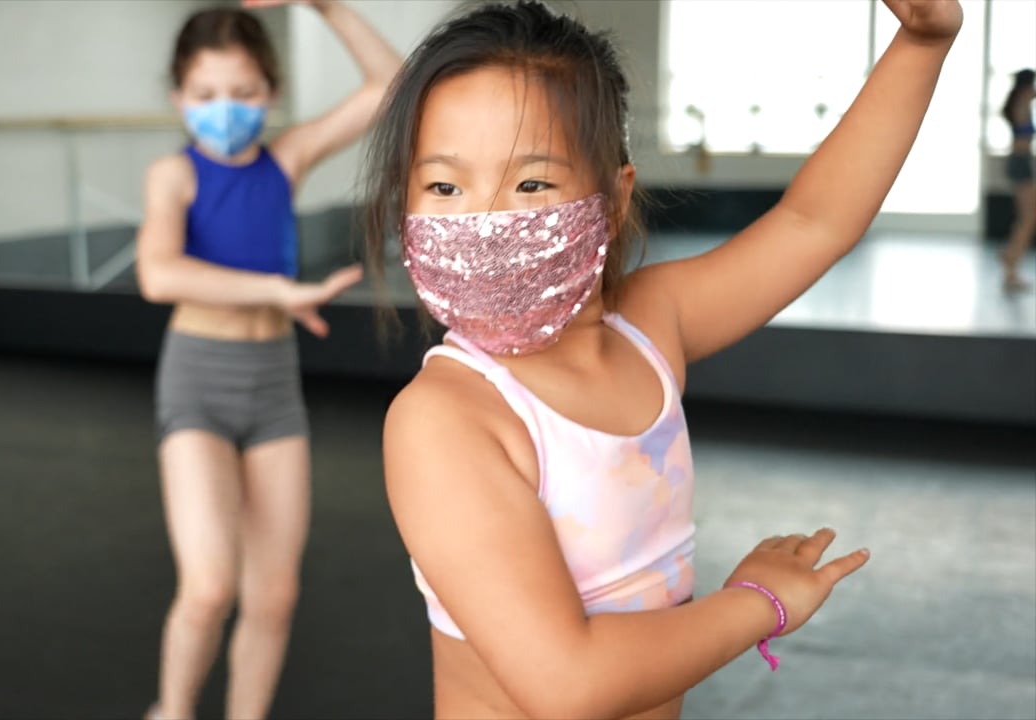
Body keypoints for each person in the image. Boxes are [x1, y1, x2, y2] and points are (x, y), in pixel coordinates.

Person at [365, 1, 960, 718]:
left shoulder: (650, 325)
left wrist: (923, 43)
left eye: (531, 184)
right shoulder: (445, 420)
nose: (485, 219)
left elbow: (815, 222)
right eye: (444, 187)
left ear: (614, 199)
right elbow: (567, 683)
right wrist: (758, 603)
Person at [134, 1, 400, 718]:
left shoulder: (284, 160)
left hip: (273, 385)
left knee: (275, 595)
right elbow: (159, 273)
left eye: (244, 92)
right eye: (206, 93)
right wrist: (278, 291)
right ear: (178, 98)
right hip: (198, 380)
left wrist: (326, 5)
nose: (225, 108)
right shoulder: (173, 176)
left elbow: (390, 86)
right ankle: (172, 711)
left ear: (271, 93)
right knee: (210, 587)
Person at [1000, 68, 1035, 291]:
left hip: (1021, 162)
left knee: (1026, 217)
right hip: (1021, 163)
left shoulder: (1019, 101)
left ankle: (1010, 257)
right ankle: (1010, 266)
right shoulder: (1021, 102)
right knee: (1028, 218)